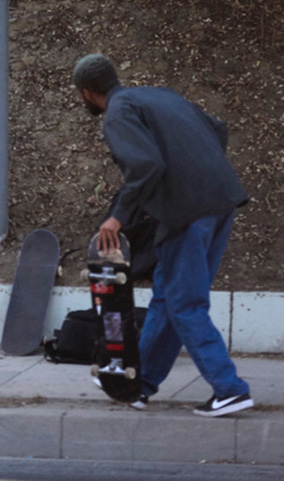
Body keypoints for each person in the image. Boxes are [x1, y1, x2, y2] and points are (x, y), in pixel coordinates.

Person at [73, 53, 253, 417]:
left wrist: (117, 218)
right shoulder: (160, 96)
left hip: (185, 214)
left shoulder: (118, 114)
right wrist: (197, 173)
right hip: (219, 203)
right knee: (168, 298)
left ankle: (230, 389)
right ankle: (140, 384)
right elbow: (217, 128)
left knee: (185, 303)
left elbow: (145, 164)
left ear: (88, 92)